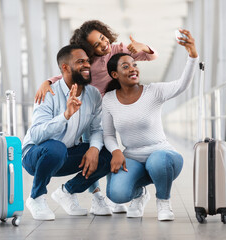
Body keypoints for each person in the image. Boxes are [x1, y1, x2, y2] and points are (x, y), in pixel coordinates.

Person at [33, 20, 158, 213]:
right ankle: (98, 196)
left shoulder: (119, 49)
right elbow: (69, 73)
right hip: (94, 113)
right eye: (96, 45)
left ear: (105, 32)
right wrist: (48, 81)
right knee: (94, 153)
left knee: (114, 151)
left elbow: (150, 57)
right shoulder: (89, 62)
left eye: (102, 38)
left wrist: (145, 48)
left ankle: (116, 195)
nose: (102, 45)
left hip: (117, 108)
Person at [102, 29, 198, 221]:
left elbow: (182, 85)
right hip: (133, 158)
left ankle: (163, 201)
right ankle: (139, 194)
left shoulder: (154, 91)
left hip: (164, 156)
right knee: (117, 195)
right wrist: (116, 151)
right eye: (125, 67)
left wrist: (192, 56)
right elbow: (109, 135)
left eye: (134, 65)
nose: (133, 69)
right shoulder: (109, 100)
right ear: (114, 74)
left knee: (157, 161)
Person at [22, 44, 112, 221]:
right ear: (65, 67)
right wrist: (65, 116)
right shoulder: (49, 93)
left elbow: (96, 129)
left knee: (107, 155)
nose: (87, 65)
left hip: (65, 154)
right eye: (80, 62)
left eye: (87, 61)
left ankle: (67, 192)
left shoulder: (93, 94)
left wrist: (94, 149)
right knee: (56, 148)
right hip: (35, 155)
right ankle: (36, 198)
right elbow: (36, 135)